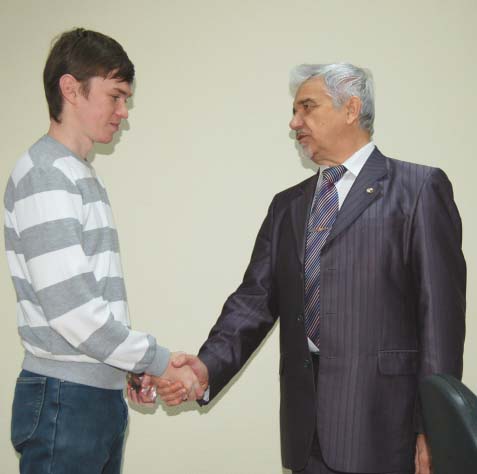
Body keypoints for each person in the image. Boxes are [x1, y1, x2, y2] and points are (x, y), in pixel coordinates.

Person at [142, 63, 467, 474]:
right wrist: (205, 366)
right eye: (294, 111)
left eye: (307, 107)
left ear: (351, 109)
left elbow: (441, 320)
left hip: (386, 428)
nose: (294, 122)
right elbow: (254, 300)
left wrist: (434, 429)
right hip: (305, 430)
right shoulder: (288, 205)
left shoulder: (418, 189)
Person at [4, 28, 201, 474]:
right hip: (65, 401)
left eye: (125, 99)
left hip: (88, 399)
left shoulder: (80, 174)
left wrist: (127, 367)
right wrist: (158, 361)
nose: (123, 111)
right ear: (71, 89)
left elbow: (91, 305)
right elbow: (72, 312)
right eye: (115, 96)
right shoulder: (45, 174)